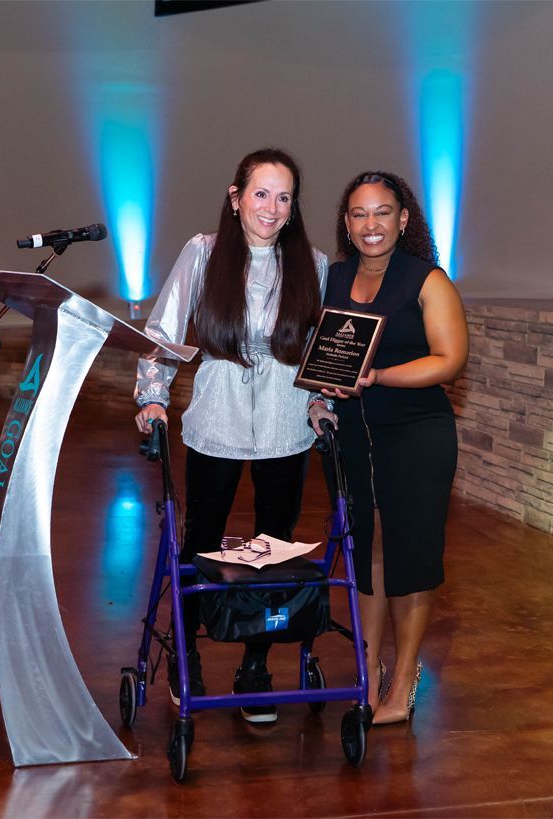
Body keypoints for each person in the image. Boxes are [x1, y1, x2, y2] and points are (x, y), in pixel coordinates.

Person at [134, 148, 328, 724]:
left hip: (285, 424)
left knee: (275, 547)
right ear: (236, 195)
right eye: (261, 193)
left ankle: (256, 663)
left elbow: (320, 350)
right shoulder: (203, 253)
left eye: (284, 197)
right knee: (201, 541)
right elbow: (164, 334)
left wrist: (319, 399)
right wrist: (151, 395)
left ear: (294, 208)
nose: (271, 208)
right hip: (215, 418)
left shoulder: (312, 265)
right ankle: (185, 653)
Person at [309, 171, 467, 725]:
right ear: (346, 224)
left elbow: (449, 360)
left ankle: (404, 679)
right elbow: (321, 353)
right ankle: (368, 669)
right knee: (365, 553)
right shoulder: (333, 278)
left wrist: (376, 376)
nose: (370, 224)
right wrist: (320, 393)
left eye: (382, 212)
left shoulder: (427, 280)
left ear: (404, 219)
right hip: (350, 435)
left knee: (412, 559)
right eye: (358, 214)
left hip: (417, 434)